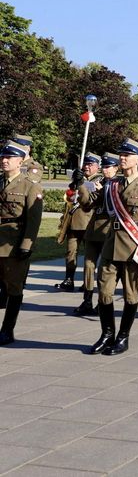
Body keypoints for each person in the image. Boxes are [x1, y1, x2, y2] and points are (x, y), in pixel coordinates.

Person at [77, 138, 138, 355]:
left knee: (131, 296)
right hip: (110, 246)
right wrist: (80, 185)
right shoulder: (111, 184)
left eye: (127, 155)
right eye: (121, 154)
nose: (122, 158)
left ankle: (123, 337)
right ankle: (107, 334)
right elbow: (88, 204)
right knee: (104, 293)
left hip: (133, 250)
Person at [0, 141, 43, 345]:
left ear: (20, 161)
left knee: (14, 288)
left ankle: (7, 330)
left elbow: (33, 220)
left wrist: (27, 244)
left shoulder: (30, 186)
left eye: (9, 158)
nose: (4, 160)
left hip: (13, 244)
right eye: (3, 157)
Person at [72, 153, 120, 316]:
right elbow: (87, 204)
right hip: (94, 230)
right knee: (88, 266)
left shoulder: (119, 184)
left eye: (108, 167)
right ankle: (87, 299)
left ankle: (103, 301)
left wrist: (105, 192)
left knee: (105, 270)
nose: (105, 170)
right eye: (104, 167)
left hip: (108, 231)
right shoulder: (99, 183)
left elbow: (116, 206)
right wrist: (80, 185)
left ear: (116, 168)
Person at [55, 153, 104, 291]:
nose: (87, 167)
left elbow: (91, 200)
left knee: (89, 256)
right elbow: (69, 198)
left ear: (97, 167)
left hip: (87, 222)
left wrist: (81, 184)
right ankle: (69, 279)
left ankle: (86, 282)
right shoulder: (78, 179)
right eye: (86, 164)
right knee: (70, 252)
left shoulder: (99, 180)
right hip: (73, 221)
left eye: (90, 164)